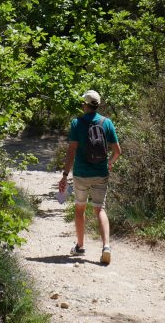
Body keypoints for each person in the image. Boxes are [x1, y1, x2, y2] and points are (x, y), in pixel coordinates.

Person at [58, 89, 121, 265]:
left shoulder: (77, 123)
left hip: (81, 174)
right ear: (98, 105)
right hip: (101, 173)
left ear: (84, 105)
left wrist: (64, 175)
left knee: (80, 208)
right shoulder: (106, 123)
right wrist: (109, 163)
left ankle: (80, 245)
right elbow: (117, 152)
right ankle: (106, 247)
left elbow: (71, 152)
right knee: (99, 209)